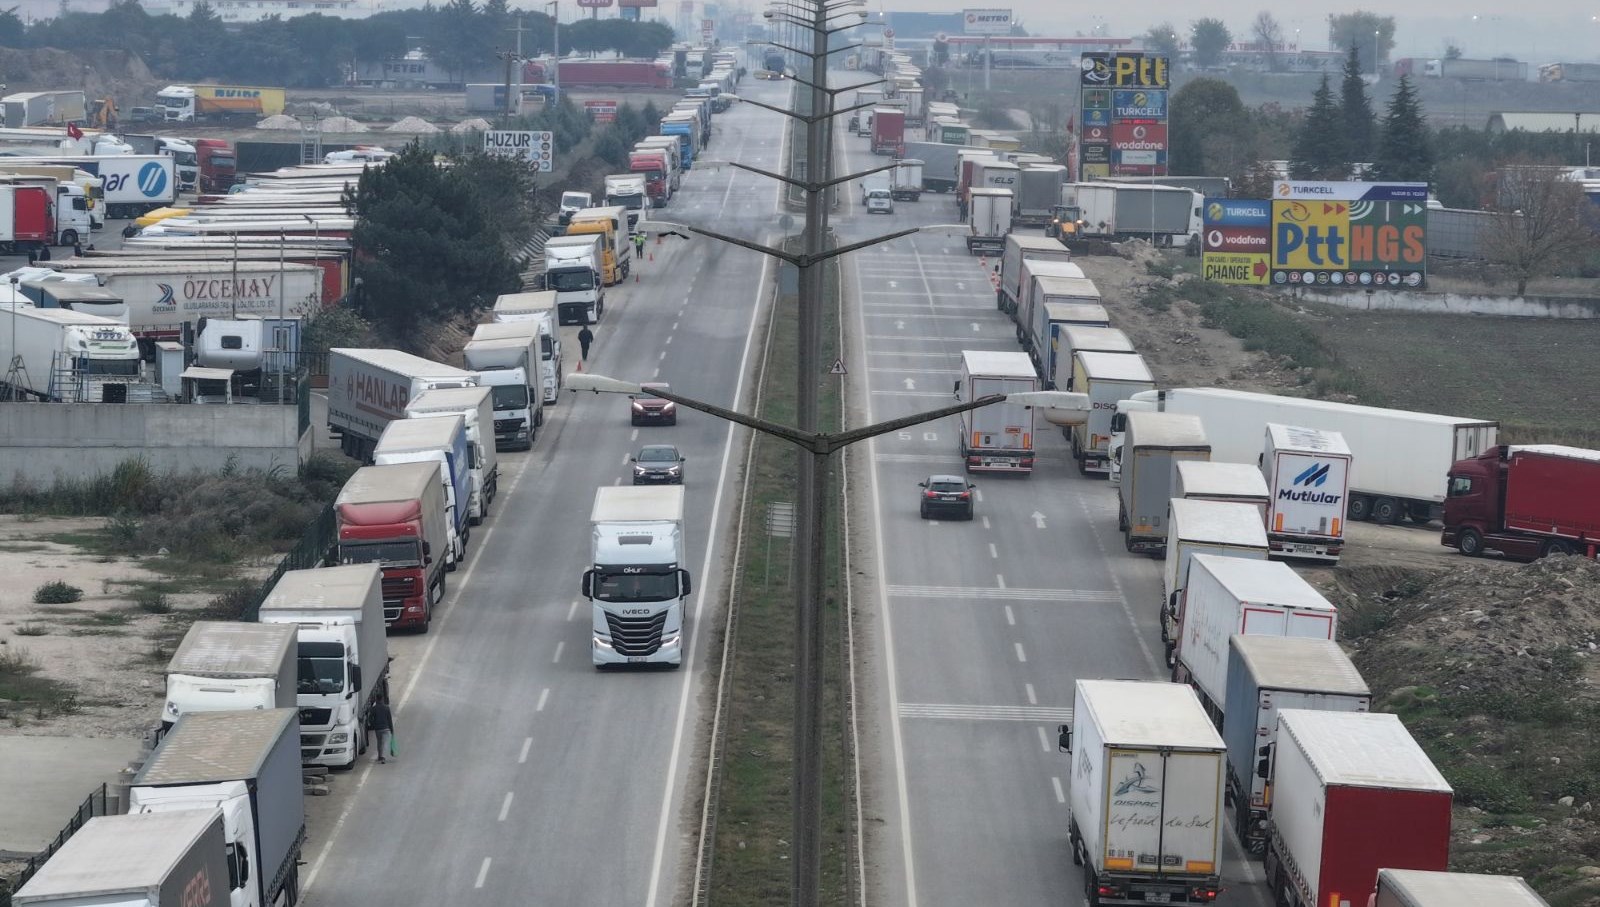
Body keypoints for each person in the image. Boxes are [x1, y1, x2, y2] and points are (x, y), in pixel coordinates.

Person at [369, 695, 394, 764]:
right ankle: (383, 757)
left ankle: (380, 756)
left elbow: (370, 719)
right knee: (384, 743)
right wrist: (392, 730)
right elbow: (389, 720)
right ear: (382, 699)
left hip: (378, 729)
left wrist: (373, 725)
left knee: (379, 742)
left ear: (376, 699)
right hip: (386, 728)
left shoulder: (373, 708)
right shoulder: (386, 708)